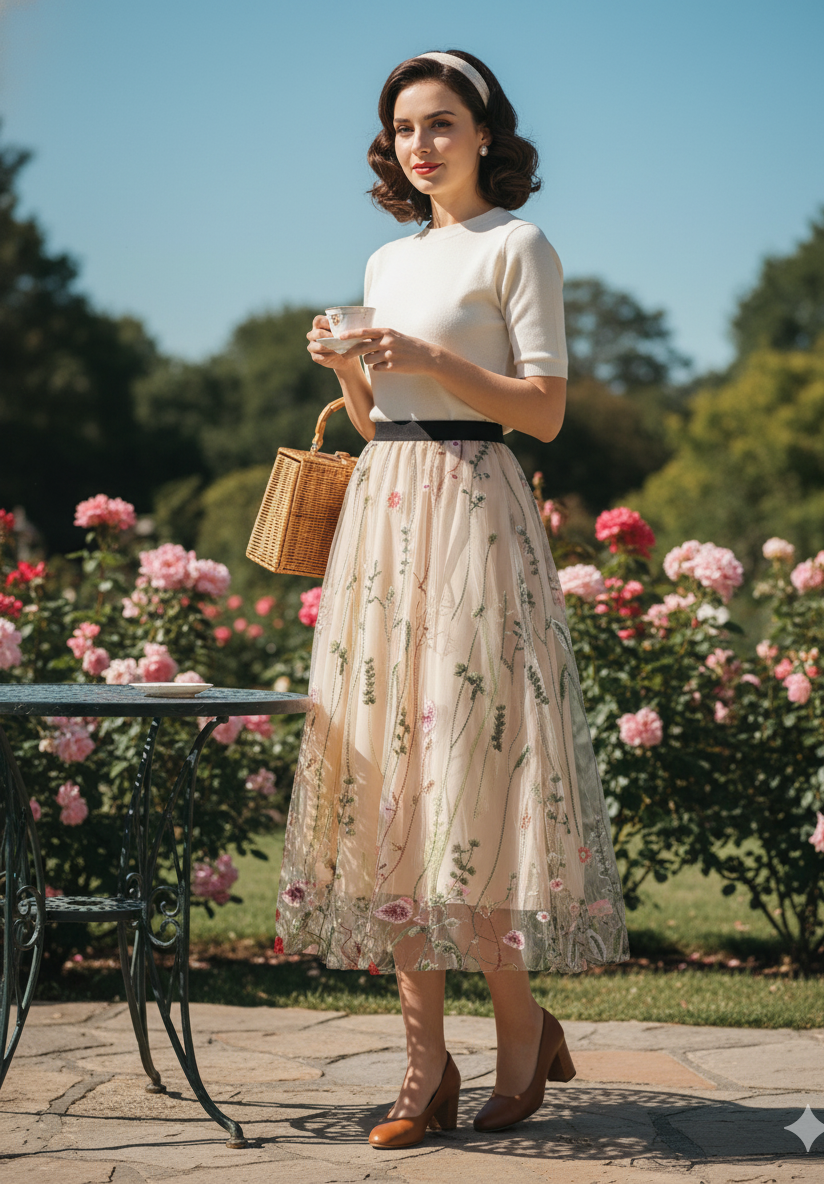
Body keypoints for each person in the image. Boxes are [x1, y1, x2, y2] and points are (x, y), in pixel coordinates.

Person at [276, 49, 629, 1149]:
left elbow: (546, 410)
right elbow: (383, 419)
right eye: (403, 130)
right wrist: (348, 361)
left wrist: (426, 348)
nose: (420, 146)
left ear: (484, 133)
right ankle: (423, 1069)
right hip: (388, 510)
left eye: (441, 125)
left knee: (469, 775)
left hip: (478, 508)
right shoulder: (386, 256)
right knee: (392, 783)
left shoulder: (520, 246)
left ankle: (521, 1028)